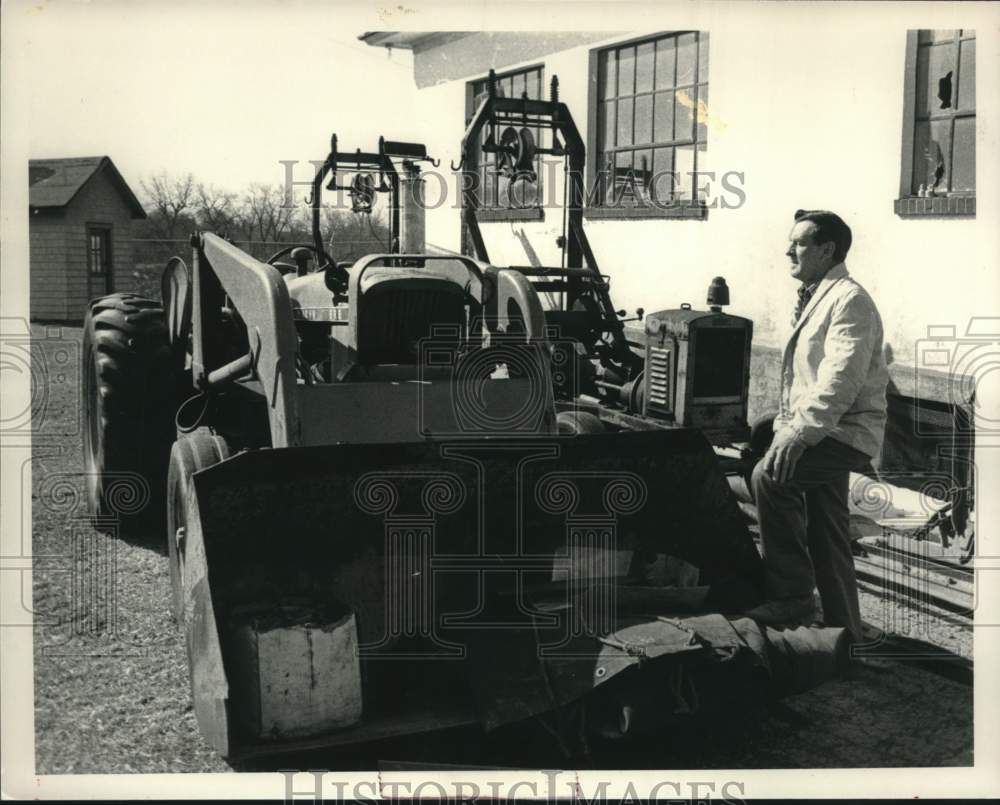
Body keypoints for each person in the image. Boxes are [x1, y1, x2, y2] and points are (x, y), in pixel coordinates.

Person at [745, 209, 889, 643]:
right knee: (826, 525)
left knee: (770, 478)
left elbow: (839, 380)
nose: (789, 249)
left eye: (800, 243)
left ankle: (792, 599)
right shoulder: (818, 293)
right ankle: (846, 630)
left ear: (827, 250)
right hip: (827, 428)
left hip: (842, 431)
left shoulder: (850, 300)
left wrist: (798, 434)